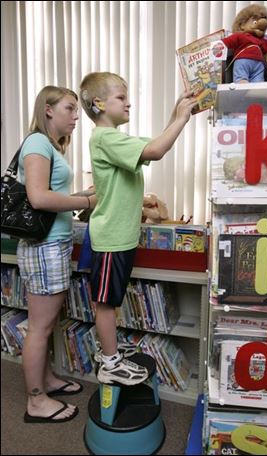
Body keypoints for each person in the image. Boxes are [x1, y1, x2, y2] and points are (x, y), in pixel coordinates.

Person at [79, 71, 197, 386]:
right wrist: (182, 120)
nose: (128, 103)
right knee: (105, 302)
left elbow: (156, 144)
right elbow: (156, 151)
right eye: (121, 97)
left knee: (111, 299)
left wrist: (177, 112)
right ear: (99, 103)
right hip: (110, 239)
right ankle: (109, 362)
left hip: (121, 238)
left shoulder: (116, 139)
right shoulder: (105, 138)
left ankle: (112, 354)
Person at [16, 86, 97, 423]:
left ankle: (46, 381)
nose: (76, 116)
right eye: (69, 108)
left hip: (53, 244)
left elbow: (52, 196)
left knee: (46, 325)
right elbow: (38, 199)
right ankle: (36, 402)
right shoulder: (37, 142)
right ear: (48, 109)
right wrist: (86, 202)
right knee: (40, 327)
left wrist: (81, 194)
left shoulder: (49, 146)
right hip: (45, 246)